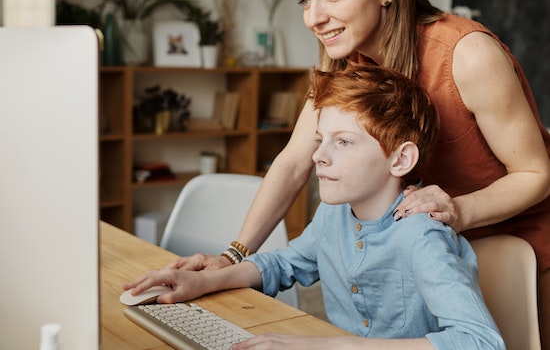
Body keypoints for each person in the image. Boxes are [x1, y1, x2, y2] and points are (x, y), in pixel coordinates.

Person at [165, 0, 550, 347]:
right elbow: (294, 162)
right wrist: (232, 257)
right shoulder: (345, 65)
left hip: (518, 240)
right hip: (423, 236)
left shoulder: (468, 54)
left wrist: (459, 210)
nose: (313, 17)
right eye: (304, 0)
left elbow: (535, 174)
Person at [125, 63, 505, 350]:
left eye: (343, 142)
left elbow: (480, 341)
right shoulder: (335, 213)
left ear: (401, 160)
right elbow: (285, 263)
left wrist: (325, 345)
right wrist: (205, 280)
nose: (318, 157)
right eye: (320, 140)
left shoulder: (420, 234)